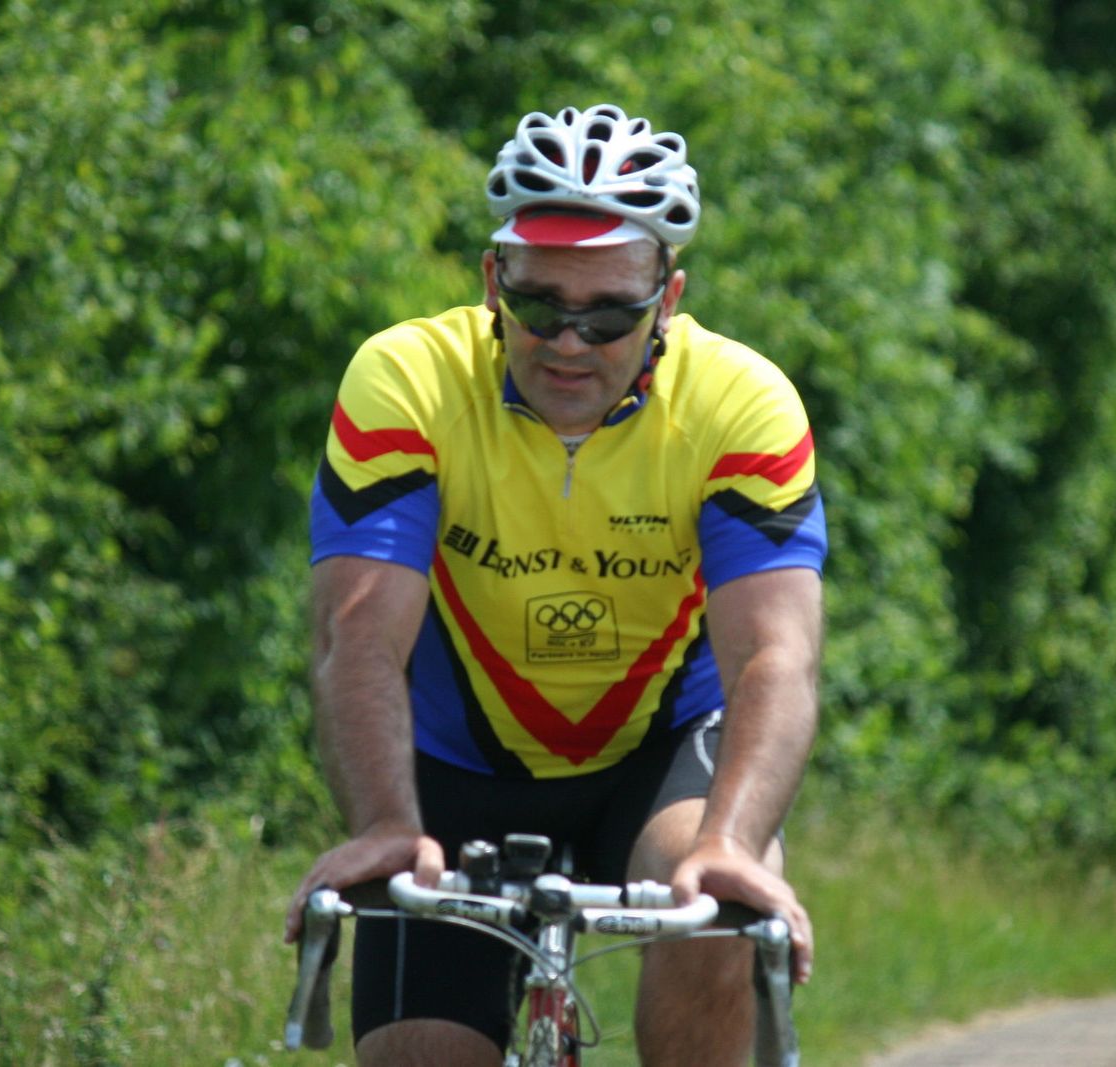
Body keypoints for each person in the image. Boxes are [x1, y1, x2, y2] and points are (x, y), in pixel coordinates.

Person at [284, 102, 827, 1066]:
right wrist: (385, 823)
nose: (570, 343)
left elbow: (775, 655)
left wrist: (732, 843)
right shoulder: (408, 379)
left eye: (609, 313)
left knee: (713, 913)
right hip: (453, 767)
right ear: (492, 280)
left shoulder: (740, 403)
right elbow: (357, 632)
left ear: (668, 298)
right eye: (538, 306)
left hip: (659, 758)